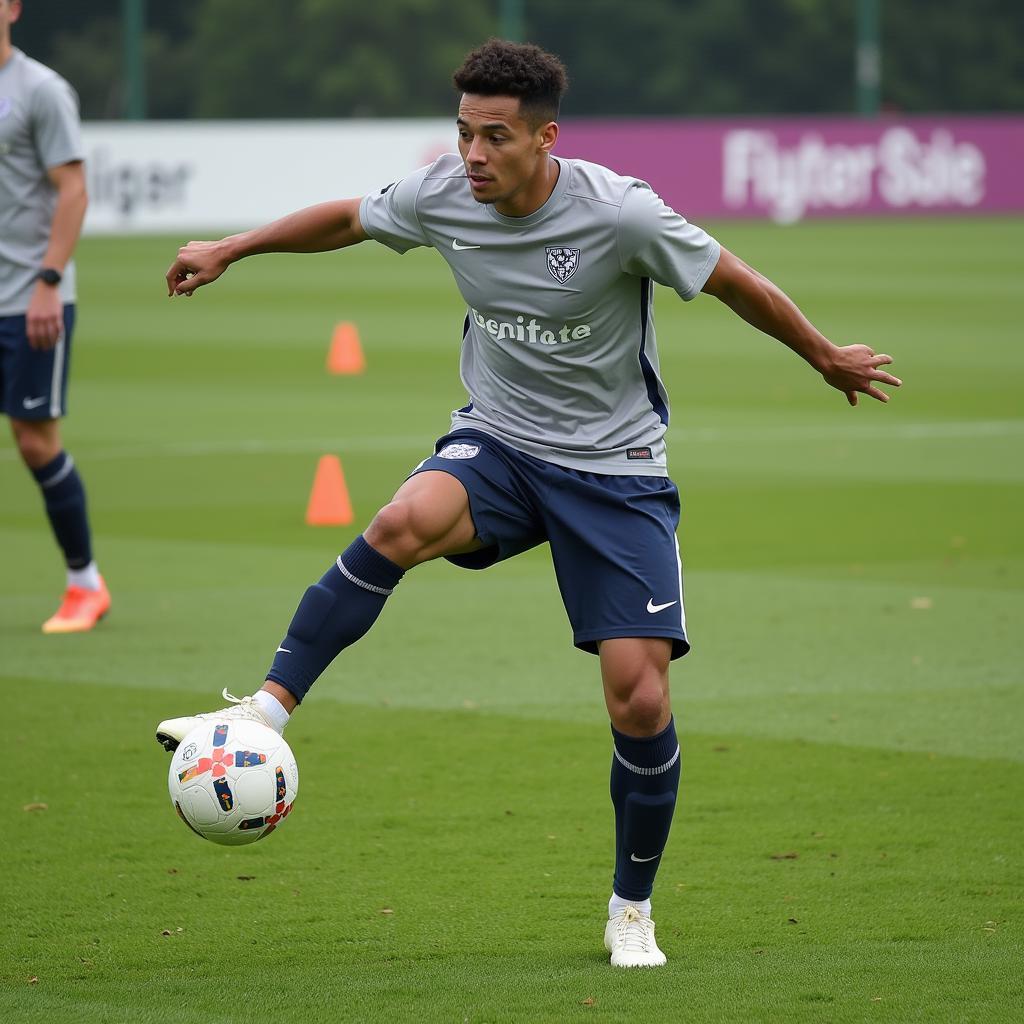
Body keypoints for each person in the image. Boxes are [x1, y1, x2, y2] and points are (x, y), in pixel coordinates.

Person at [156, 39, 900, 967]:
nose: (472, 154)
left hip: (615, 471)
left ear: (546, 138)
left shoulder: (619, 213)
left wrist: (825, 353)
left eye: (495, 137)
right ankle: (261, 714)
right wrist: (233, 247)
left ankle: (631, 909)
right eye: (464, 132)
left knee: (638, 697)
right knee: (399, 522)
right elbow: (348, 218)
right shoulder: (442, 193)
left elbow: (733, 280)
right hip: (501, 445)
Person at [0, 0, 109, 633]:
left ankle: (83, 584)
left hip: (28, 297)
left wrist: (48, 283)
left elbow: (73, 188)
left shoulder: (39, 89)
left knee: (34, 440)